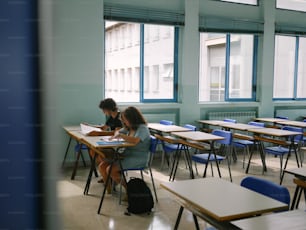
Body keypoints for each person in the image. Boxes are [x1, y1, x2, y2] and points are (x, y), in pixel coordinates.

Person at [98, 106, 151, 195]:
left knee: (111, 170)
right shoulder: (129, 127)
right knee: (102, 166)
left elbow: (135, 141)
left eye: (125, 119)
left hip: (138, 158)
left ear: (132, 118)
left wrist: (122, 136)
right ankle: (110, 188)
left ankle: (130, 190)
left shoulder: (142, 128)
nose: (124, 122)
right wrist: (117, 134)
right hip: (126, 155)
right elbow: (118, 131)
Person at [87, 98, 123, 183]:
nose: (103, 112)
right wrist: (89, 126)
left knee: (98, 152)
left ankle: (109, 174)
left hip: (119, 144)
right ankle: (106, 173)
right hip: (112, 141)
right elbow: (103, 128)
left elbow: (116, 132)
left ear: (108, 109)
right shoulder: (111, 117)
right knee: (93, 151)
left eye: (103, 109)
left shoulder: (120, 117)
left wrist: (98, 134)